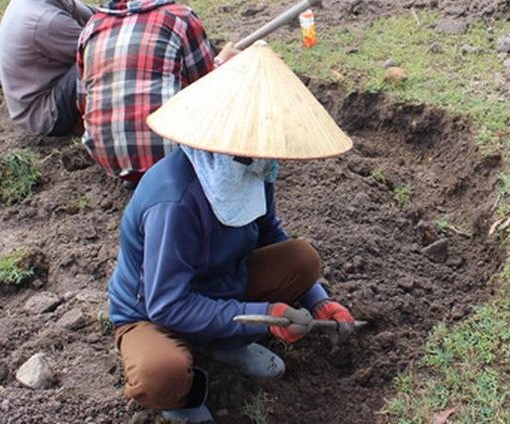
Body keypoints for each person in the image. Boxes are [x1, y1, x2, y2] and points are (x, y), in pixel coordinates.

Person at [108, 41, 358, 423]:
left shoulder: (249, 167)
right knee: (161, 374)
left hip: (221, 285)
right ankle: (185, 398)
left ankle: (225, 341)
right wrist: (263, 315)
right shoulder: (174, 203)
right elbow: (168, 303)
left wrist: (316, 298)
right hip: (152, 313)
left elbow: (271, 234)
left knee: (301, 259)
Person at [77, 0, 236, 184]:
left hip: (108, 160)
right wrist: (225, 63)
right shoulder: (178, 16)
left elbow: (83, 102)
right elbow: (206, 89)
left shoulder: (92, 26)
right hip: (168, 157)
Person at [0, 0, 102, 136]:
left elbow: (99, 16)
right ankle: (91, 123)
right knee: (104, 58)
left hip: (51, 87)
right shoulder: (46, 20)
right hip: (44, 113)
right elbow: (104, 45)